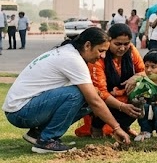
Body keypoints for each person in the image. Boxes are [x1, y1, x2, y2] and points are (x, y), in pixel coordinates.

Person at [3, 27, 132, 153]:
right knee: (79, 94)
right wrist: (116, 128)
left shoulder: (69, 52)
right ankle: (47, 140)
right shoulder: (73, 59)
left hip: (23, 109)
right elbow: (94, 100)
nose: (103, 56)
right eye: (100, 51)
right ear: (87, 45)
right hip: (20, 112)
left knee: (90, 96)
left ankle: (38, 134)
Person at [84, 23, 146, 137]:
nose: (122, 48)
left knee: (144, 93)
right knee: (98, 96)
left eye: (126, 44)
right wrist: (122, 106)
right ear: (109, 41)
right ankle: (96, 126)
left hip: (125, 95)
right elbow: (101, 92)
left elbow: (144, 72)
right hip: (106, 99)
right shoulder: (99, 56)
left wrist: (135, 78)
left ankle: (124, 127)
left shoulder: (131, 50)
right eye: (117, 44)